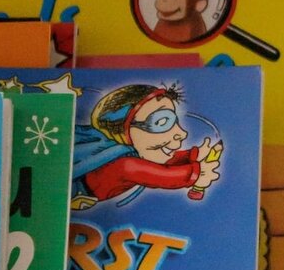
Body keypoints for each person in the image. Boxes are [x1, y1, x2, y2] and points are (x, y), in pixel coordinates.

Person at [71, 82, 224, 209]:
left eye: (174, 120)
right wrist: (196, 173)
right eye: (161, 122)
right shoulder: (126, 165)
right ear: (124, 131)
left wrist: (194, 154)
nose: (182, 133)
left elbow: (162, 161)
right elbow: (160, 175)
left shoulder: (134, 152)